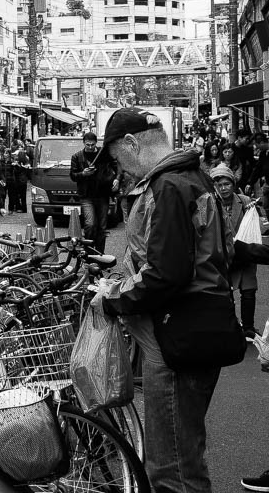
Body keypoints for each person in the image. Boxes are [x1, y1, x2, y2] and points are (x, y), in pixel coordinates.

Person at [98, 108, 236, 493]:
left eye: (116, 158)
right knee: (183, 456)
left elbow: (166, 275)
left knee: (171, 467)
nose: (119, 169)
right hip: (200, 328)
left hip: (178, 336)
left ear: (131, 144)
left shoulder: (169, 187)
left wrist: (114, 299)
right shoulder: (194, 177)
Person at [208, 163, 263, 341]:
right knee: (226, 292)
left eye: (227, 184)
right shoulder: (210, 204)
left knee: (249, 291)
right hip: (224, 256)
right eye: (219, 185)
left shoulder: (244, 201)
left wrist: (256, 209)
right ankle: (231, 327)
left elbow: (259, 220)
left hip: (245, 254)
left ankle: (248, 327)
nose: (223, 188)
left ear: (233, 184)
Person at [70, 132, 118, 253]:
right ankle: (89, 254)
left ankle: (100, 255)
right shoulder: (77, 156)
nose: (90, 147)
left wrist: (117, 179)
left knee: (102, 227)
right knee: (90, 225)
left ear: (96, 143)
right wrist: (83, 174)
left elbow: (117, 166)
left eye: (92, 144)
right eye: (87, 145)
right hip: (86, 196)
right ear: (83, 143)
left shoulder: (103, 154)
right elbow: (73, 175)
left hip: (103, 195)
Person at [8, 147, 31, 214]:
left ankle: (20, 208)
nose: (16, 156)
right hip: (23, 181)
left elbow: (17, 172)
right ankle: (24, 208)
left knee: (17, 195)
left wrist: (16, 166)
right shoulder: (25, 162)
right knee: (23, 196)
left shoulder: (18, 164)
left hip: (18, 181)